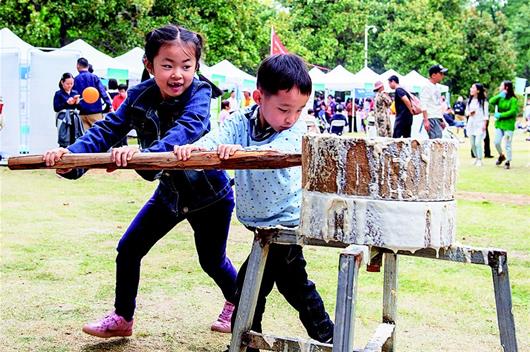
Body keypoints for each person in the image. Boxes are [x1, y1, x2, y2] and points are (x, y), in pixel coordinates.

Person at [43, 24, 238, 338]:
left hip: (209, 196)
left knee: (212, 261)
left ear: (196, 67)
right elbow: (105, 131)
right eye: (168, 65)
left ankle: (239, 303)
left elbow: (186, 131)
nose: (178, 74)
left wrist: (141, 155)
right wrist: (71, 159)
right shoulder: (137, 96)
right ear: (149, 65)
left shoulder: (200, 92)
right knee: (130, 248)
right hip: (170, 194)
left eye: (187, 66)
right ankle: (122, 318)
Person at [174, 54, 334, 352]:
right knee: (293, 286)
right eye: (284, 109)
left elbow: (276, 151)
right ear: (258, 97)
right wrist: (192, 149)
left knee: (249, 287)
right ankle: (329, 336)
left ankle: (243, 345)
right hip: (263, 226)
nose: (291, 117)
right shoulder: (239, 122)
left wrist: (239, 154)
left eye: (299, 109)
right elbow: (214, 139)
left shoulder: (294, 131)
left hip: (284, 225)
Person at [73, 57, 113, 130]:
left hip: (82, 112)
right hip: (95, 111)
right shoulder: (94, 77)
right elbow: (102, 92)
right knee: (98, 134)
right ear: (88, 66)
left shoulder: (75, 79)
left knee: (85, 137)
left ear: (78, 66)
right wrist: (109, 104)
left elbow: (73, 95)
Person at [489, 80, 518, 169]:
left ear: (506, 87)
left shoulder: (513, 99)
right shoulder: (500, 98)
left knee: (507, 144)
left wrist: (501, 115)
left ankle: (508, 161)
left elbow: (513, 111)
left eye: (501, 86)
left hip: (508, 125)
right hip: (500, 124)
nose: (500, 87)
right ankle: (501, 155)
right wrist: (499, 95)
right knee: (496, 142)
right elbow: (491, 101)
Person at [53, 72, 84, 147]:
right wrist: (67, 103)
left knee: (75, 137)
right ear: (62, 82)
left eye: (71, 83)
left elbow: (80, 108)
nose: (70, 86)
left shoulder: (75, 92)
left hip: (74, 117)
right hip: (63, 118)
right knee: (64, 137)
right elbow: (56, 108)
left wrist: (77, 103)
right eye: (67, 84)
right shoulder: (58, 93)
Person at [420, 64, 448, 139]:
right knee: (435, 141)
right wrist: (426, 120)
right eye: (441, 73)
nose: (443, 75)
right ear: (433, 75)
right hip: (431, 117)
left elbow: (437, 105)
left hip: (437, 117)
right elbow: (423, 104)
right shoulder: (426, 86)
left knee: (439, 139)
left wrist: (441, 119)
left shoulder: (437, 87)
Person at [465, 83, 489, 166]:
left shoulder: (483, 102)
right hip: (471, 124)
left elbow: (486, 115)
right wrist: (470, 113)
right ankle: (476, 157)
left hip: (480, 124)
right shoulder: (469, 101)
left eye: (473, 88)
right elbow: (466, 112)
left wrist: (484, 125)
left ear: (478, 91)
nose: (471, 89)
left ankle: (479, 159)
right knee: (472, 143)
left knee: (478, 142)